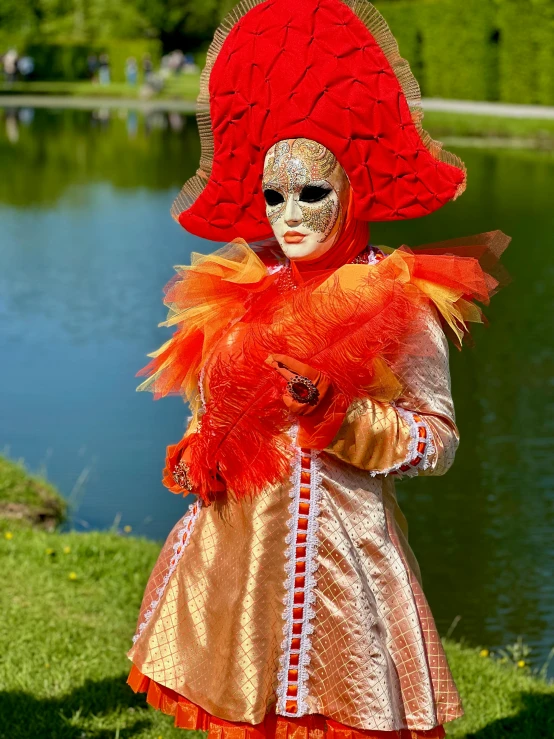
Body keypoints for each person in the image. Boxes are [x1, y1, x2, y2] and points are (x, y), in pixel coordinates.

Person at [127, 1, 508, 737]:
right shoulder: (242, 289)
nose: (289, 214)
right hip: (236, 563)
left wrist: (344, 417)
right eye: (274, 195)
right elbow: (218, 407)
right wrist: (202, 443)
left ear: (352, 189)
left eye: (312, 193)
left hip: (342, 569)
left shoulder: (397, 299)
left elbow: (438, 440)